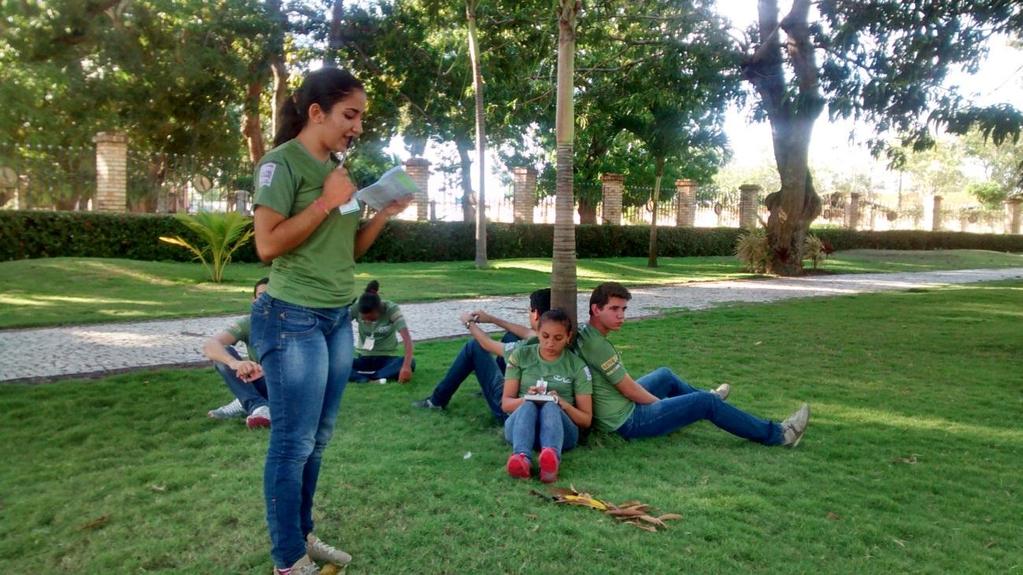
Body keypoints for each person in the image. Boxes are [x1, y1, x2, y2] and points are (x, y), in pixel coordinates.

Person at [250, 67, 412, 575]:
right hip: (290, 317)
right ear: (316, 112)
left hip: (335, 319)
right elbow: (267, 245)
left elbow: (350, 247)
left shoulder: (341, 173)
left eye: (361, 116)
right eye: (350, 114)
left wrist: (383, 213)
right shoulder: (281, 166)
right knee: (292, 442)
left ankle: (302, 535)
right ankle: (287, 559)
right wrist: (325, 201)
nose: (358, 127)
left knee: (317, 438)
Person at [574, 282, 810, 447]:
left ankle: (708, 402)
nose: (621, 316)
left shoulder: (586, 332)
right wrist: (667, 407)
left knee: (665, 375)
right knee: (704, 402)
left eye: (623, 309)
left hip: (621, 407)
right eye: (614, 309)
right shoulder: (597, 346)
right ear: (596, 309)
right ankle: (779, 435)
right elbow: (629, 389)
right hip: (628, 421)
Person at [411, 288, 552, 422]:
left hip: (512, 411)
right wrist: (491, 319)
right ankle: (491, 389)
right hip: (535, 399)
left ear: (535, 314)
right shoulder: (557, 338)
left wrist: (469, 323)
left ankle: (436, 401)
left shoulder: (531, 346)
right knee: (512, 335)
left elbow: (486, 344)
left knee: (474, 346)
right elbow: (528, 333)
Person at [501, 309, 592, 483]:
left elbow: (586, 420)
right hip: (521, 427)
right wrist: (527, 398)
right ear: (537, 333)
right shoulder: (521, 355)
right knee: (528, 405)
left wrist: (562, 404)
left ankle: (550, 460)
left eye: (558, 338)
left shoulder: (577, 366)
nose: (550, 343)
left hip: (562, 432)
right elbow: (506, 404)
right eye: (545, 336)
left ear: (568, 337)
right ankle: (522, 458)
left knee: (551, 406)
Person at [204, 278, 272, 429]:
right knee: (224, 353)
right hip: (259, 379)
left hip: (289, 385)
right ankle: (258, 406)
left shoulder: (295, 323)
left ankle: (246, 401)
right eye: (261, 295)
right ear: (254, 300)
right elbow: (210, 345)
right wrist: (235, 363)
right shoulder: (249, 323)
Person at [350, 280, 415, 383]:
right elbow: (338, 326)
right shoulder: (357, 307)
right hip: (364, 358)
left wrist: (406, 367)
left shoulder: (391, 309)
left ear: (378, 310)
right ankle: (372, 377)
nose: (367, 321)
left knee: (409, 362)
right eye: (364, 319)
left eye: (371, 319)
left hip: (386, 359)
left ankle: (366, 377)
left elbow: (407, 340)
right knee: (336, 365)